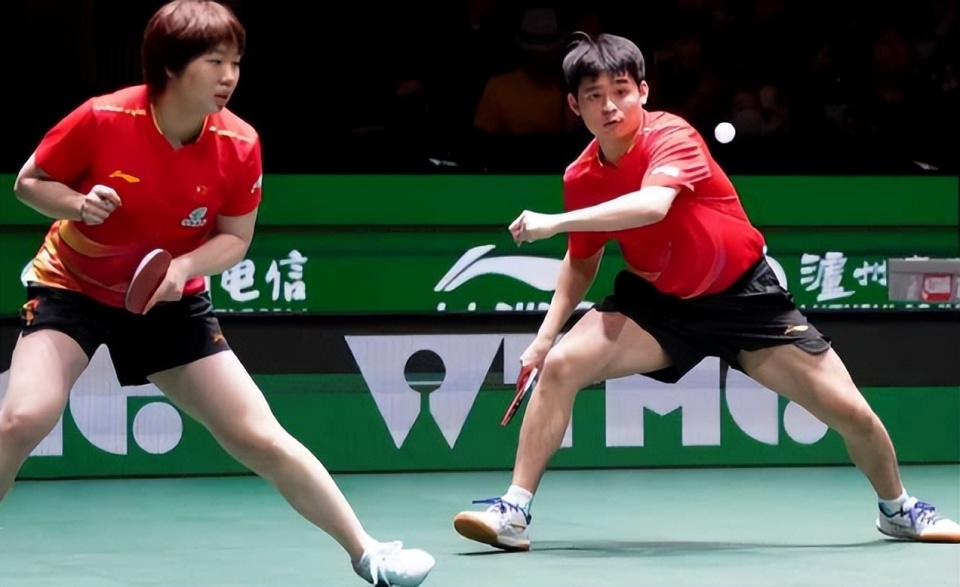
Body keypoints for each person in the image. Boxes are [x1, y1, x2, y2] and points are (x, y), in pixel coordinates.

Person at [452, 32, 959, 549]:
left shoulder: (672, 136)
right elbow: (582, 261)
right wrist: (544, 338)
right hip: (658, 305)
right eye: (594, 96)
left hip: (743, 299)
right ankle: (514, 511)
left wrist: (554, 221)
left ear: (643, 91)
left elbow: (651, 206)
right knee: (561, 366)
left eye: (621, 91)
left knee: (852, 414)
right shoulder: (582, 176)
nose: (610, 107)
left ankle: (898, 510)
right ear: (573, 105)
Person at [0, 2, 435, 585]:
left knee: (257, 434)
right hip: (74, 286)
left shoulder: (239, 142)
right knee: (22, 418)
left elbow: (235, 238)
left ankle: (368, 553)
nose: (230, 76)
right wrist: (78, 205)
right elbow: (29, 182)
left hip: (171, 301)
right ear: (170, 66)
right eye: (214, 62)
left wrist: (182, 267)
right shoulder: (103, 117)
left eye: (236, 62)